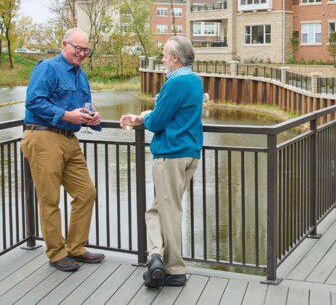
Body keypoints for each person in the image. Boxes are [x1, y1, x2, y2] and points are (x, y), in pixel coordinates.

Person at [121, 36, 203, 289]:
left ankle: (175, 270)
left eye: (166, 55)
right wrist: (148, 114)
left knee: (169, 214)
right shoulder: (195, 81)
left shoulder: (176, 83)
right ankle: (156, 258)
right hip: (189, 153)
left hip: (171, 155)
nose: (163, 59)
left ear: (175, 58)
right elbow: (169, 115)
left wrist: (144, 117)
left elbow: (157, 122)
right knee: (157, 211)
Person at [21, 28, 104, 271]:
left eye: (85, 50)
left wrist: (93, 117)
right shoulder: (48, 68)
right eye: (77, 48)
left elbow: (84, 107)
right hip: (43, 136)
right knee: (50, 199)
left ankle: (76, 248)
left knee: (86, 192)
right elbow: (34, 101)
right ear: (64, 45)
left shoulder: (81, 75)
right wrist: (68, 115)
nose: (81, 53)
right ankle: (56, 253)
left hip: (69, 139)